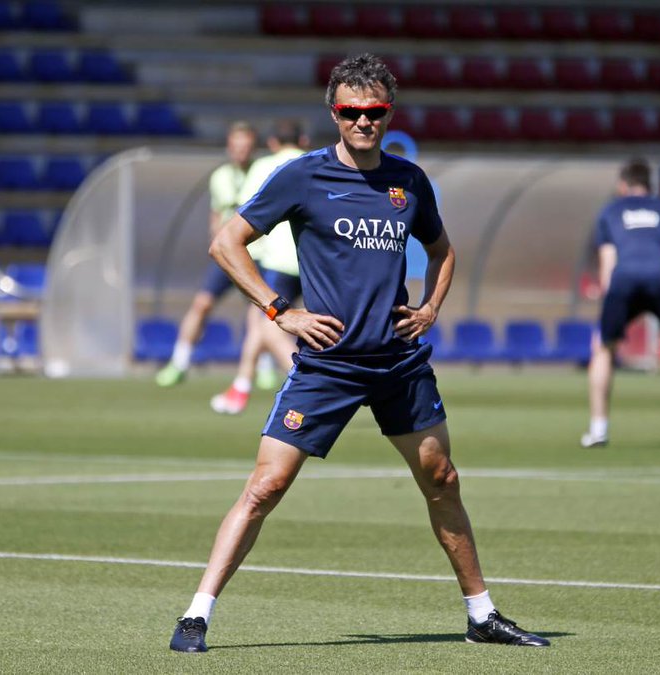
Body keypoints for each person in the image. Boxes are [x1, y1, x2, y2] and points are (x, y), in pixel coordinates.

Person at [169, 53, 549, 652]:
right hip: (328, 366)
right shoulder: (301, 176)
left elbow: (443, 251)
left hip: (398, 363)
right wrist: (281, 311)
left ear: (389, 113)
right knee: (266, 487)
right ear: (334, 113)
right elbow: (227, 244)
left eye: (374, 111)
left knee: (443, 479)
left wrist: (429, 308)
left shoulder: (409, 181)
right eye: (351, 111)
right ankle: (196, 616)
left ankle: (482, 616)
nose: (363, 121)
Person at [581, 158, 660, 449]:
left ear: (622, 185)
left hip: (623, 279)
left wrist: (610, 304)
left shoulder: (611, 211)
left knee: (603, 348)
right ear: (650, 185)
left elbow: (608, 262)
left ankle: (598, 430)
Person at [155, 121, 277, 389]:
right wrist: (216, 241)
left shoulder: (263, 172)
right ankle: (179, 362)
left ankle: (264, 367)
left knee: (260, 312)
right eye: (236, 146)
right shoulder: (220, 177)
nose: (241, 151)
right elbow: (216, 214)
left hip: (258, 255)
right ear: (229, 147)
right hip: (230, 254)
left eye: (246, 146)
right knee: (202, 304)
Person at [210, 119, 309, 415]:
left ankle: (303, 379)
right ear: (303, 141)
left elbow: (247, 211)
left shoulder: (264, 166)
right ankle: (241, 387)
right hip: (313, 261)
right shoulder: (314, 162)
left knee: (268, 323)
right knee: (259, 321)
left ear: (273, 143)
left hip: (279, 259)